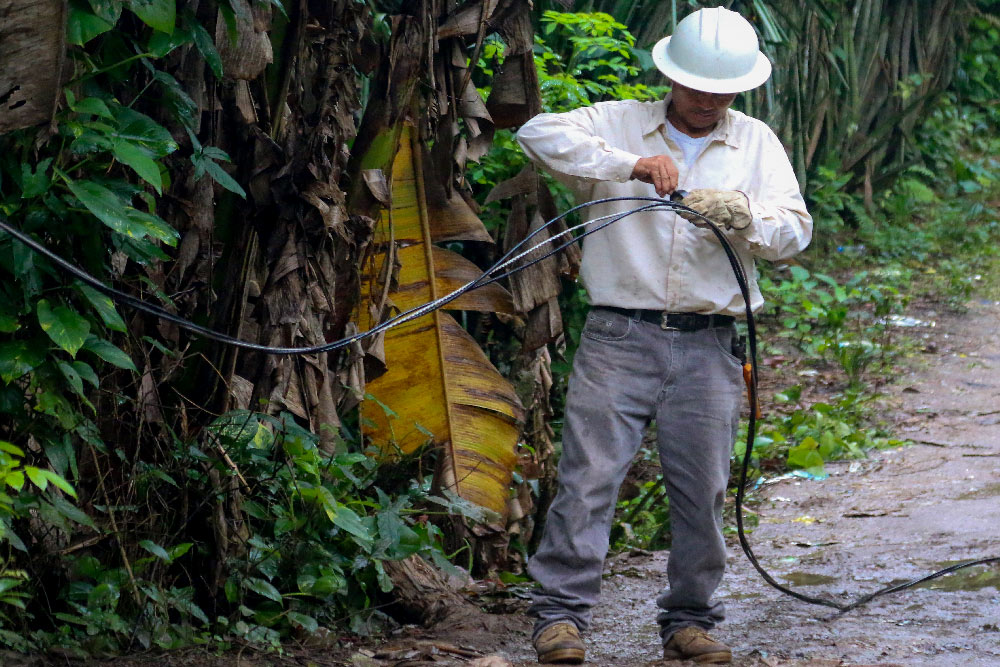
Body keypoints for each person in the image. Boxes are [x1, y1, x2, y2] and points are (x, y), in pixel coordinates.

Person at [515, 7, 812, 665]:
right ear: (670, 76)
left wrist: (745, 215)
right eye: (695, 86)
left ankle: (689, 619)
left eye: (721, 90)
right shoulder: (616, 121)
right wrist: (632, 165)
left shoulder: (757, 143)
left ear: (740, 88)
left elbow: (795, 231)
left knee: (702, 486)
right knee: (588, 476)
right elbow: (536, 134)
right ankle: (560, 617)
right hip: (620, 332)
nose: (706, 100)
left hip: (710, 340)